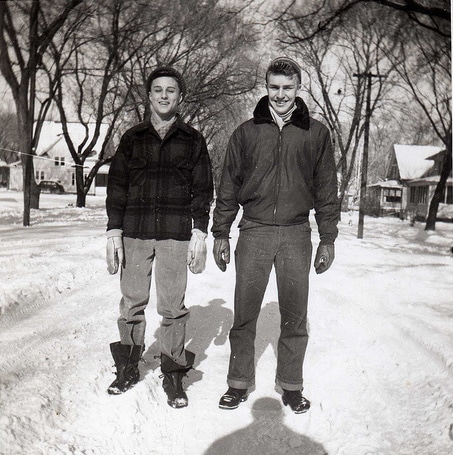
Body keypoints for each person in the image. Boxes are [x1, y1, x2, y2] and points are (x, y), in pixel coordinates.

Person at [212, 57, 339, 413]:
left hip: (297, 233)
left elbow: (327, 187)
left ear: (299, 88)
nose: (280, 95)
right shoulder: (247, 132)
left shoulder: (315, 133)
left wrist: (327, 238)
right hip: (253, 231)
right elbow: (228, 186)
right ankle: (238, 383)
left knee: (295, 316)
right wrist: (221, 233)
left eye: (287, 87)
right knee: (244, 314)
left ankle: (291, 385)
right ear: (266, 87)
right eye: (274, 87)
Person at [105, 66, 213, 409]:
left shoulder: (193, 139)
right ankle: (128, 367)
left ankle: (174, 374)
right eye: (158, 90)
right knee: (132, 303)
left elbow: (203, 189)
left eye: (171, 90)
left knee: (172, 306)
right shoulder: (132, 138)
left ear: (179, 97)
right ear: (149, 96)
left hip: (174, 235)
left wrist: (199, 230)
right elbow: (117, 186)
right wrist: (113, 230)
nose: (164, 95)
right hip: (135, 233)